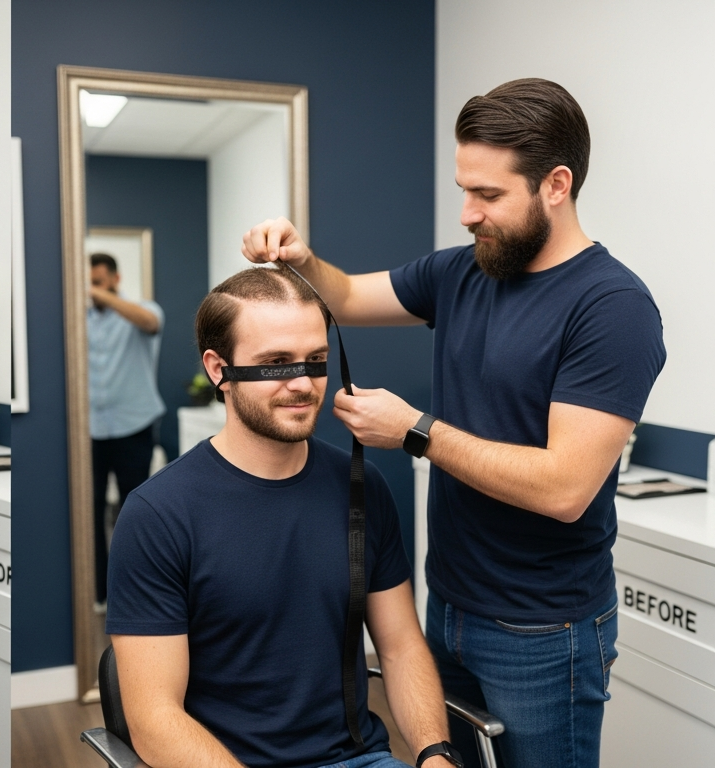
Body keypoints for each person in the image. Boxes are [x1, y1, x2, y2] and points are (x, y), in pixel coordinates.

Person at [242, 78, 666, 768]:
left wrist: (415, 431)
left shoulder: (612, 307)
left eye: (488, 195)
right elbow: (344, 297)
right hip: (448, 606)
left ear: (556, 185)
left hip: (543, 629)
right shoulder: (463, 272)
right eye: (464, 190)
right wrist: (301, 259)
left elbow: (565, 488)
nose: (468, 213)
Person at [107, 267, 455, 768]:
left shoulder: (362, 487)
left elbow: (400, 647)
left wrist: (435, 753)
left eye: (315, 360)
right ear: (218, 369)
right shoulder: (157, 515)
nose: (303, 383)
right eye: (275, 363)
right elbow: (154, 719)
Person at [86, 252, 164, 611]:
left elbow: (150, 323)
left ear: (116, 279)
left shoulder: (143, 310)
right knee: (90, 510)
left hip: (135, 426)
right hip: (89, 431)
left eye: (98, 282)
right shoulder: (78, 320)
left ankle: (137, 592)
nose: (92, 291)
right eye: (89, 284)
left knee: (135, 512)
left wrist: (99, 295)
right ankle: (100, 593)